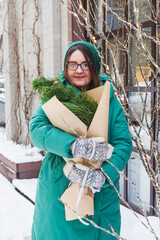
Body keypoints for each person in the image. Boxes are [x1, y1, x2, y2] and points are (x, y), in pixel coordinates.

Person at [29, 41, 132, 240]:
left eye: (85, 64)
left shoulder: (109, 100)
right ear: (66, 67)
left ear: (94, 67)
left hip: (100, 193)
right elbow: (37, 129)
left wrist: (103, 176)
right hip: (59, 184)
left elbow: (123, 143)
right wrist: (73, 145)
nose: (79, 70)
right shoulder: (55, 95)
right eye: (72, 64)